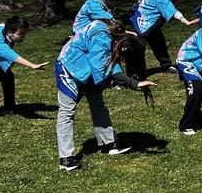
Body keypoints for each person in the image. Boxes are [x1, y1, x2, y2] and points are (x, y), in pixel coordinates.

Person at [55, 19, 156, 169]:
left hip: (88, 67)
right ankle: (66, 158)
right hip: (69, 67)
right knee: (67, 111)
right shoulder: (101, 37)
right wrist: (133, 83)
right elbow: (103, 66)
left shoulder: (115, 33)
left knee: (98, 104)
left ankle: (109, 143)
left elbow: (108, 63)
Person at [128, 0, 197, 77]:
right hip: (143, 21)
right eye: (179, 0)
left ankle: (166, 65)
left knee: (159, 42)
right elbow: (173, 12)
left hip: (152, 21)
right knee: (139, 47)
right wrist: (186, 21)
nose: (178, 3)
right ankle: (136, 72)